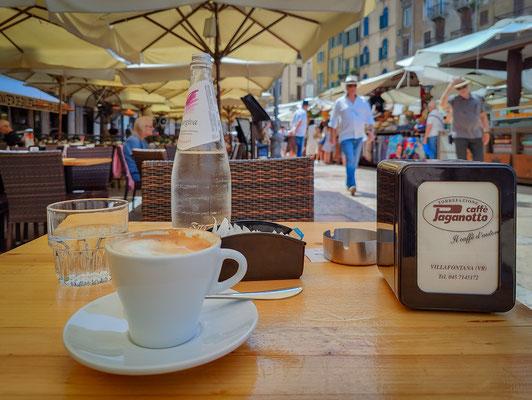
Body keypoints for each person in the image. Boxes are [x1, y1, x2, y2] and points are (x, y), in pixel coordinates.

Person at [329, 75, 375, 196]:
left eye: (354, 85)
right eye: (350, 86)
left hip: (359, 135)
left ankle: (348, 183)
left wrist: (371, 131)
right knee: (350, 160)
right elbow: (333, 120)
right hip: (345, 136)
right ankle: (352, 184)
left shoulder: (363, 102)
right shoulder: (339, 102)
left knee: (354, 163)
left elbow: (369, 118)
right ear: (346, 87)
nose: (352, 88)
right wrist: (332, 136)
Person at [440, 77, 490, 161]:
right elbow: (442, 104)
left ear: (468, 86)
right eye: (459, 88)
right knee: (461, 162)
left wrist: (486, 131)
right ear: (456, 90)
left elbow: (483, 116)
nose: (462, 89)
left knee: (479, 161)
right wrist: (449, 87)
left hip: (476, 134)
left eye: (464, 86)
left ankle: (477, 174)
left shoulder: (477, 98)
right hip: (460, 135)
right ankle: (463, 174)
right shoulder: (454, 99)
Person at [123, 116, 154, 183]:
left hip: (142, 172)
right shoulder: (134, 140)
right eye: (151, 126)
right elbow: (139, 161)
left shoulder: (142, 141)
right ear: (143, 127)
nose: (153, 128)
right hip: (137, 175)